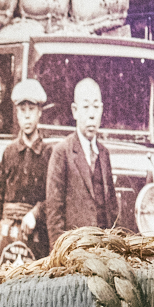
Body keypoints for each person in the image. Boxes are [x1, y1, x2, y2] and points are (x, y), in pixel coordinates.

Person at [45, 77, 125, 246]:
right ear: (75, 111)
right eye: (86, 107)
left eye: (96, 107)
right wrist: (60, 253)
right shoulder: (62, 152)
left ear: (101, 110)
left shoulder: (104, 154)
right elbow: (54, 213)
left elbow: (112, 209)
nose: (91, 114)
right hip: (75, 250)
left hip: (103, 249)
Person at [0, 78, 52, 264]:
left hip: (37, 238)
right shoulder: (10, 152)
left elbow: (54, 199)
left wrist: (36, 213)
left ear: (40, 112)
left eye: (32, 110)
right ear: (16, 113)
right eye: (22, 110)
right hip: (7, 237)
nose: (27, 116)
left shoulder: (49, 154)